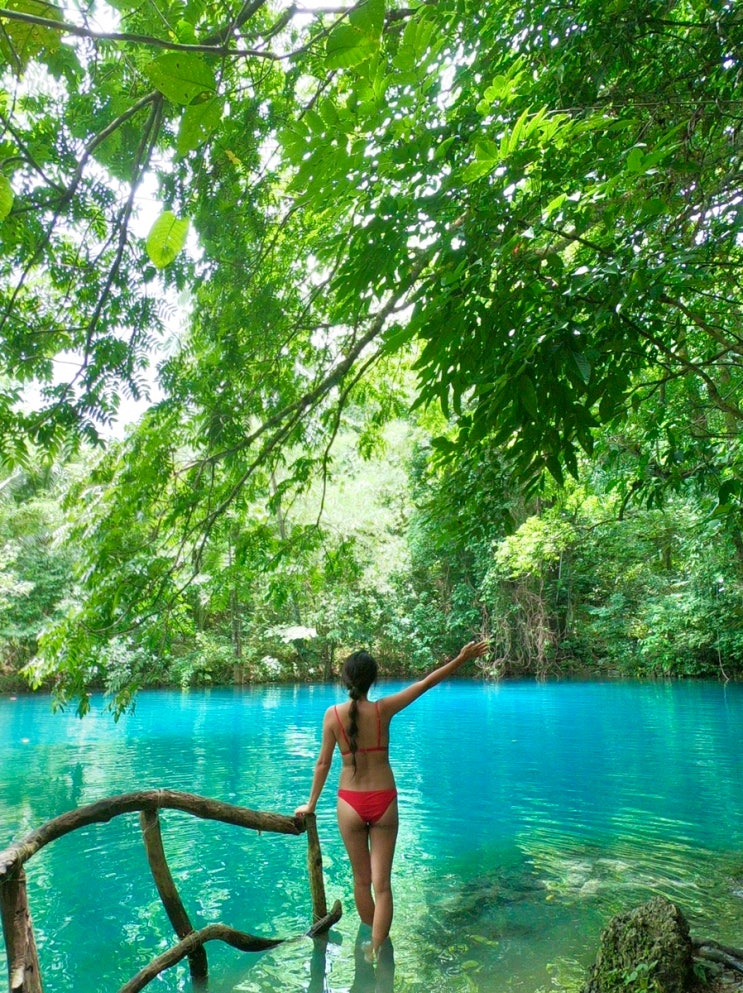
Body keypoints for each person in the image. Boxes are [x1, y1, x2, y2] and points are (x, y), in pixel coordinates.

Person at [294, 639, 489, 958]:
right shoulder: (384, 710)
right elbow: (426, 683)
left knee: (361, 882)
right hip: (384, 801)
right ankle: (378, 947)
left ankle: (373, 939)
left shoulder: (332, 716)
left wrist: (310, 804)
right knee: (382, 886)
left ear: (345, 679)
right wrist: (460, 658)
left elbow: (323, 763)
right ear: (373, 680)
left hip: (349, 804)